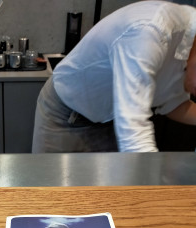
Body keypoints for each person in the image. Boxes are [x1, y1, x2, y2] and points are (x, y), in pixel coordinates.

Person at [32, 1, 196, 153]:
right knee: (52, 183)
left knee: (111, 184)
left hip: (111, 122)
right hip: (65, 117)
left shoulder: (188, 48)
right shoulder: (149, 32)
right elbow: (134, 135)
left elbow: (174, 104)